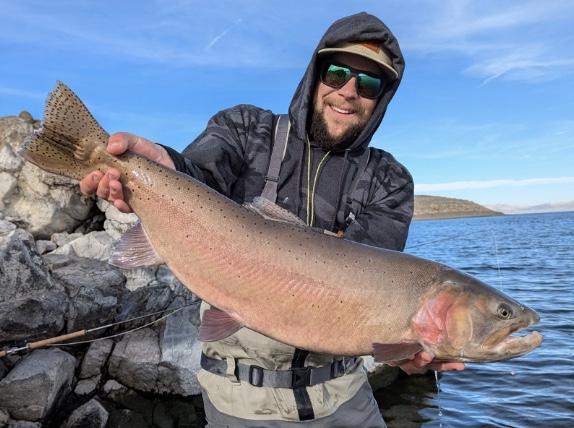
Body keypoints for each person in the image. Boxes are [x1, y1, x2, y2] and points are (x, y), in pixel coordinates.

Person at [80, 12, 464, 427]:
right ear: (316, 75)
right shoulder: (246, 129)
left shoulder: (389, 180)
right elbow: (199, 175)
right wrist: (162, 166)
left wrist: (406, 348)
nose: (349, 91)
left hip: (343, 398)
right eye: (337, 73)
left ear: (381, 98)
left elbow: (368, 291)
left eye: (368, 84)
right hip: (238, 400)